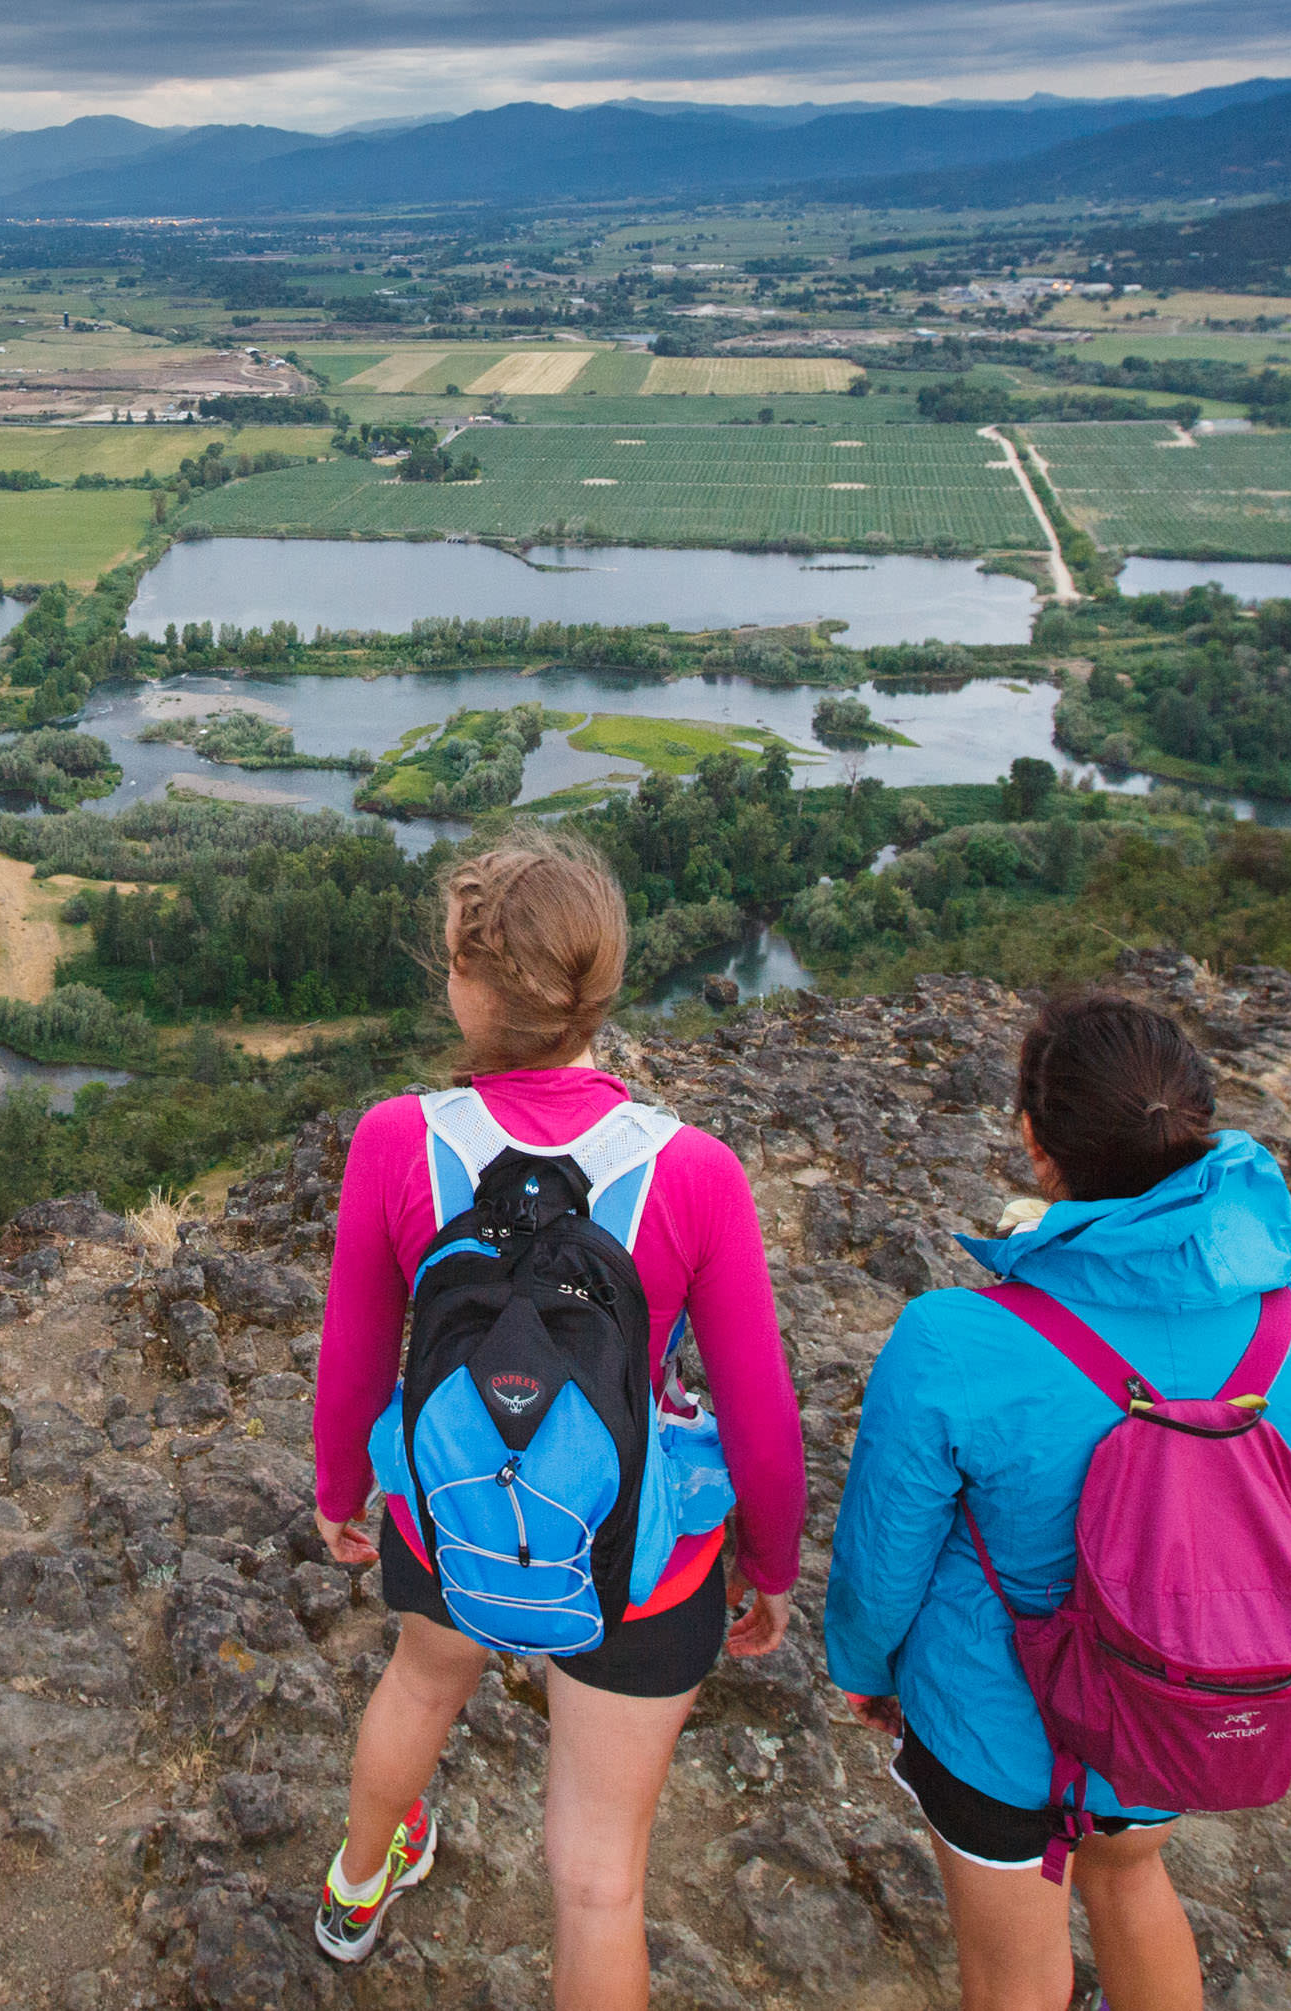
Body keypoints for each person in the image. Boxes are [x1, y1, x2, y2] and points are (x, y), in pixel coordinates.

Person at [308, 829, 805, 2007]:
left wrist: (342, 1495)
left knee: (421, 1686)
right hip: (640, 1559)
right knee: (595, 1883)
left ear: (469, 982)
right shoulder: (690, 1171)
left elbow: (352, 1356)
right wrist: (769, 1563)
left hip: (451, 1515)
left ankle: (356, 1884)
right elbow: (759, 1409)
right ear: (602, 982)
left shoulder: (395, 1140)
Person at [818, 988, 1291, 2011]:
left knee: (1012, 1980)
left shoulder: (953, 1341)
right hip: (1174, 1707)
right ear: (1199, 1123)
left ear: (1035, 1142)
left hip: (992, 1728)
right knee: (1130, 1874)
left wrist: (861, 1671)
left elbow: (881, 1560)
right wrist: (1228, 1654)